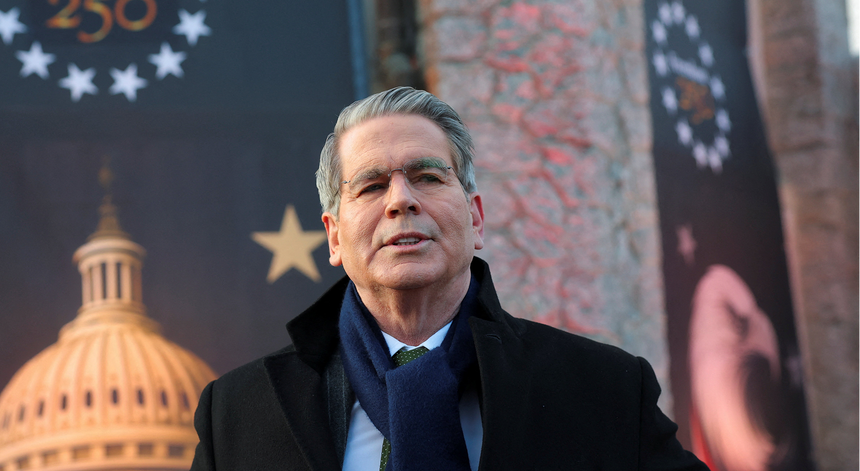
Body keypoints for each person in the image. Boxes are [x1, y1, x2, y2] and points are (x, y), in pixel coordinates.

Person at [189, 87, 709, 470]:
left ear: (476, 218)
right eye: (371, 186)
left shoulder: (605, 390)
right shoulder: (236, 413)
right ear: (334, 237)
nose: (401, 200)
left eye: (427, 176)